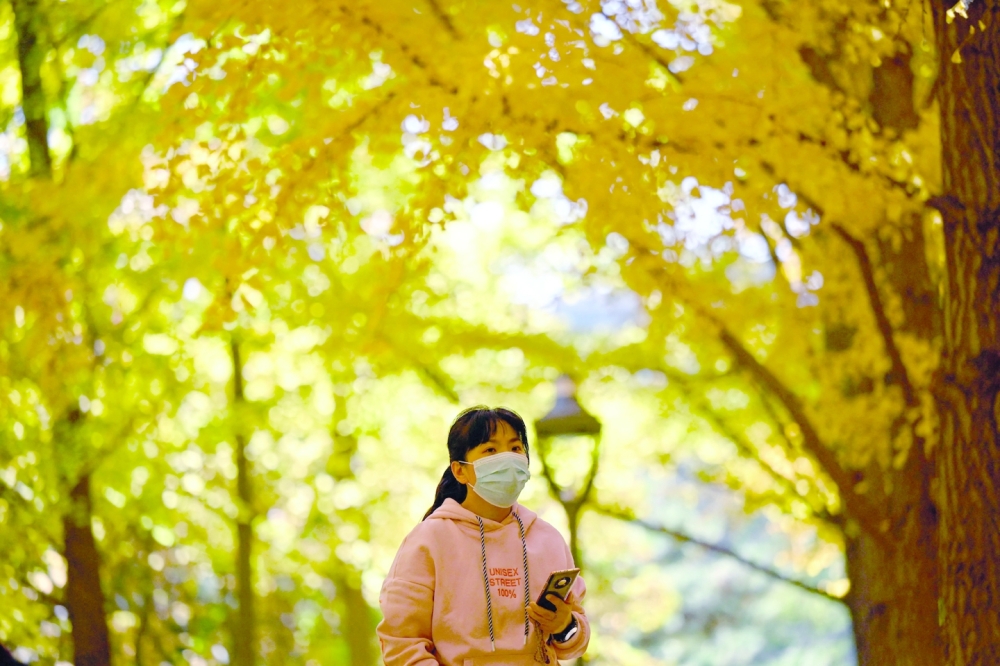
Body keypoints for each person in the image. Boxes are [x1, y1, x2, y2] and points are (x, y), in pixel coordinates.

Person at [377, 406, 590, 665]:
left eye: (515, 448)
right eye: (490, 450)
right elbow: (402, 644)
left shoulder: (548, 539)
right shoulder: (428, 540)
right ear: (460, 470)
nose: (507, 459)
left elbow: (575, 640)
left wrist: (565, 625)